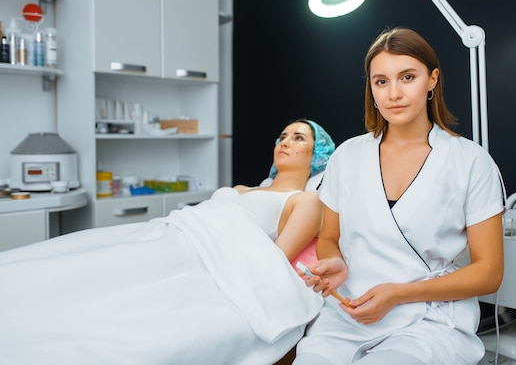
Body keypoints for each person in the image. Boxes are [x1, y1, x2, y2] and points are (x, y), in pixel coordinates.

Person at [0, 119, 335, 365]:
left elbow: (273, 258)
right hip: (169, 231)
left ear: (317, 153)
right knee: (73, 259)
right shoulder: (245, 188)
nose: (285, 141)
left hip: (197, 255)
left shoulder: (306, 200)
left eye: (298, 137)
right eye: (282, 135)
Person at [294, 28, 505, 365]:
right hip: (351, 312)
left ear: (432, 79)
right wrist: (335, 262)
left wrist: (399, 294)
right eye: (381, 81)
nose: (394, 93)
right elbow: (329, 238)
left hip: (428, 319)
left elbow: (489, 272)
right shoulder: (348, 156)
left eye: (407, 77)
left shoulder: (469, 161)